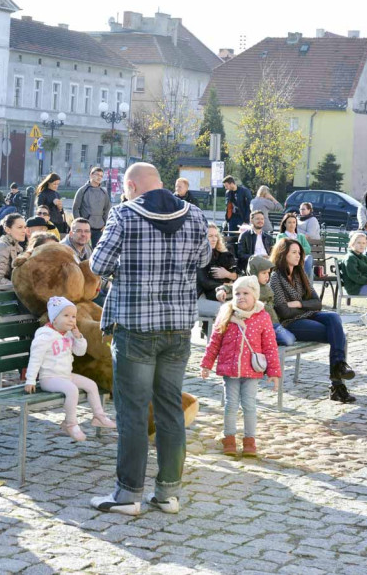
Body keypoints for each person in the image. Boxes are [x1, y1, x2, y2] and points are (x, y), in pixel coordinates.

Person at [88, 162, 211, 516]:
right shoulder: (196, 215)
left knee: (133, 411)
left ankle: (128, 495)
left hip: (136, 328)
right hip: (177, 328)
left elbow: (98, 264)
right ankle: (169, 494)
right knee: (171, 408)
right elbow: (203, 258)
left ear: (131, 185)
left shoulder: (124, 214)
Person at [200, 276, 281, 458]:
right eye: (237, 293)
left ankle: (249, 441)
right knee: (230, 405)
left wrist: (274, 372)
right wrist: (206, 364)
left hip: (252, 372)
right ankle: (229, 438)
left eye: (246, 293)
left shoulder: (262, 317)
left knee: (249, 405)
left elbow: (270, 346)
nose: (241, 297)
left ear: (255, 296)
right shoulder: (227, 313)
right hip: (231, 371)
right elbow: (214, 342)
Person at [269, 238, 356, 403]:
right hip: (291, 323)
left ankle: (338, 369)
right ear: (283, 254)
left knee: (334, 317)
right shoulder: (276, 278)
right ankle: (337, 383)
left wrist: (298, 303)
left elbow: (318, 303)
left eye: (299, 252)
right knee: (337, 334)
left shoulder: (299, 273)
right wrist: (306, 306)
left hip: (308, 315)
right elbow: (284, 312)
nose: (298, 255)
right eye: (293, 252)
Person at [24, 297, 115, 442]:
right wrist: (30, 380)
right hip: (49, 378)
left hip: (66, 375)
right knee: (72, 390)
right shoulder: (44, 336)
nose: (71, 320)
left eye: (73, 316)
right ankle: (70, 423)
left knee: (91, 385)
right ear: (54, 318)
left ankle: (99, 416)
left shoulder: (67, 334)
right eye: (66, 316)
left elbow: (80, 352)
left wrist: (78, 337)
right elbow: (35, 359)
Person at [197, 224, 237, 325]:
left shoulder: (221, 254)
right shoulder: (197, 255)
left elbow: (237, 274)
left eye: (216, 236)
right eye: (210, 236)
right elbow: (204, 282)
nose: (214, 239)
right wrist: (224, 286)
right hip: (200, 296)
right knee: (229, 311)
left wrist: (227, 274)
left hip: (217, 293)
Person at [73, 167, 111, 247]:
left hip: (99, 228)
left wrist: (105, 224)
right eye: (97, 175)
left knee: (97, 250)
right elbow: (76, 208)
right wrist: (78, 224)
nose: (99, 177)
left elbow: (107, 209)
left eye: (101, 176)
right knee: (82, 249)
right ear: (91, 175)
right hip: (85, 227)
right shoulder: (82, 190)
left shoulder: (104, 192)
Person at [276, 212, 314, 279]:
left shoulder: (301, 236)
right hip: (287, 260)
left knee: (309, 258)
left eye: (294, 222)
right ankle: (303, 283)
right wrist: (298, 250)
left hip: (300, 260)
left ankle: (303, 281)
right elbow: (281, 249)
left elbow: (308, 249)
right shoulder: (281, 236)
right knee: (310, 271)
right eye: (289, 222)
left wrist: (296, 251)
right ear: (285, 224)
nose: (292, 224)